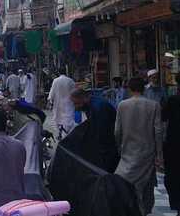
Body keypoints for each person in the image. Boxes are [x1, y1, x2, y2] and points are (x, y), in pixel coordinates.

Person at [114, 78, 164, 216]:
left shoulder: (122, 105)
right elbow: (158, 132)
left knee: (126, 185)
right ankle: (144, 211)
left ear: (129, 88)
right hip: (147, 153)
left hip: (127, 152)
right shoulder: (154, 105)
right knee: (146, 187)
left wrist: (119, 147)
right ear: (144, 88)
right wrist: (159, 156)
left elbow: (117, 131)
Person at [70, 88, 119, 172]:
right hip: (106, 145)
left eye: (77, 103)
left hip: (109, 147)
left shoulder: (98, 107)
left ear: (84, 98)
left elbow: (102, 133)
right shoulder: (90, 106)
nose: (76, 107)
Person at [164, 74, 180, 216]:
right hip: (173, 143)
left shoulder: (173, 100)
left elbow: (163, 117)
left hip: (174, 143)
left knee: (174, 175)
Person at [48, 69, 76, 139]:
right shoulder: (70, 81)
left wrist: (50, 100)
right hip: (68, 103)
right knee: (67, 119)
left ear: (58, 73)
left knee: (58, 119)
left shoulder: (55, 81)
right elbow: (74, 92)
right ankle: (66, 134)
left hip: (58, 103)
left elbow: (52, 92)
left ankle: (60, 133)